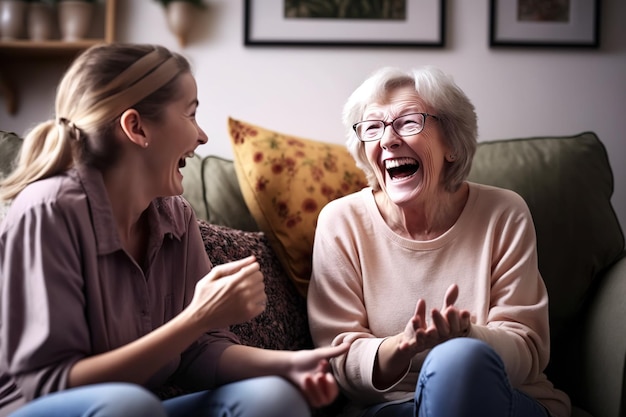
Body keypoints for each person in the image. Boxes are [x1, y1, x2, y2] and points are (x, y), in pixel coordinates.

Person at [0, 43, 349, 417]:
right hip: (43, 409)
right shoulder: (48, 209)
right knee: (129, 406)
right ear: (136, 127)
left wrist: (290, 364)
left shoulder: (176, 217)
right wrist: (198, 316)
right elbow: (50, 383)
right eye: (190, 114)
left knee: (273, 397)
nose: (202, 136)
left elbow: (199, 350)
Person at [306, 66, 571, 417]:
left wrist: (467, 337)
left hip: (499, 399)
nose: (387, 140)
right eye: (373, 128)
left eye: (409, 122)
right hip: (393, 408)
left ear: (451, 143)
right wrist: (403, 346)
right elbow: (340, 360)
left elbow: (528, 350)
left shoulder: (504, 213)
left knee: (460, 359)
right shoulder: (341, 221)